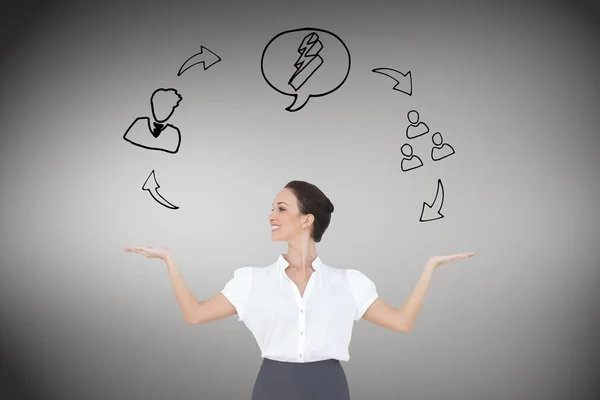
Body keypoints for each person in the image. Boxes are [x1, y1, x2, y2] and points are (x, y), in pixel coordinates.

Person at [124, 180, 474, 399]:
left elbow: (402, 322)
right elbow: (195, 314)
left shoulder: (348, 282)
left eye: (280, 208)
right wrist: (169, 261)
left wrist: (429, 269)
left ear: (307, 220)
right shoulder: (252, 281)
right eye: (271, 209)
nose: (271, 216)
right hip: (274, 385)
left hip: (329, 386)